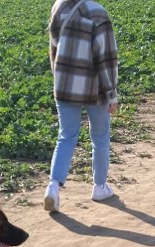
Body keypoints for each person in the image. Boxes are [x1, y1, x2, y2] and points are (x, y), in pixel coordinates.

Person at [44, 0, 119, 213]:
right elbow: (106, 58)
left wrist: (58, 78)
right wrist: (112, 93)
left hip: (65, 85)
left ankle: (53, 187)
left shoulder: (58, 7)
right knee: (100, 136)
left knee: (66, 136)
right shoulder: (98, 12)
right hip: (94, 88)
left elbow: (53, 49)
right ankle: (99, 186)